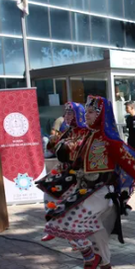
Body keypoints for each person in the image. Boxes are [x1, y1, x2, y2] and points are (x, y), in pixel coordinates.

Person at [40, 96, 135, 269]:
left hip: (104, 192)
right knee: (96, 235)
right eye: (86, 112)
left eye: (90, 112)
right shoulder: (87, 136)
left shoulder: (110, 140)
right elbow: (73, 159)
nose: (85, 116)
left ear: (100, 115)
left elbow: (134, 166)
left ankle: (89, 257)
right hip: (86, 189)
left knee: (69, 219)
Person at [36, 102, 88, 242]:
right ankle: (52, 226)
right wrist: (54, 143)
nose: (66, 116)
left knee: (73, 205)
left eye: (70, 113)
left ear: (79, 114)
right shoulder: (68, 131)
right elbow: (55, 150)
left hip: (81, 174)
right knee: (48, 194)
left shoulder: (87, 132)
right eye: (66, 113)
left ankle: (75, 238)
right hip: (65, 171)